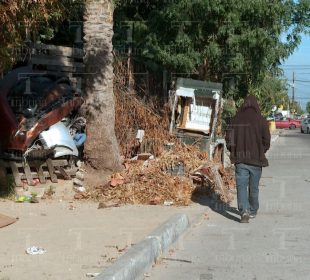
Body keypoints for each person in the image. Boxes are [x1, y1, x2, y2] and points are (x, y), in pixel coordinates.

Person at [225, 95, 271, 223]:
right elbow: (266, 141)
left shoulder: (234, 120)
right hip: (256, 161)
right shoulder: (262, 121)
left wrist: (233, 150)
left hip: (240, 160)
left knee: (241, 186)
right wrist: (261, 151)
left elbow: (229, 140)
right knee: (254, 187)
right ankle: (253, 210)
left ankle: (244, 211)